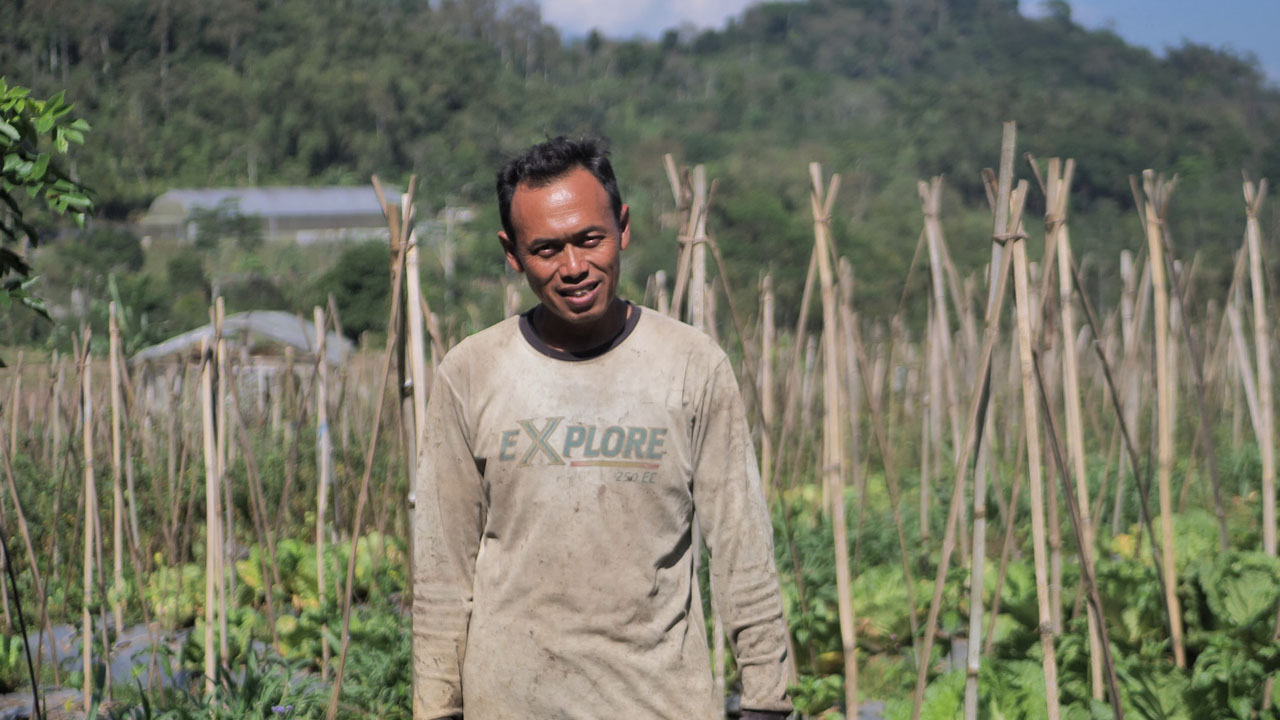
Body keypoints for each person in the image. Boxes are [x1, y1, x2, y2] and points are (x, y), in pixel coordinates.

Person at [412, 136, 794, 720]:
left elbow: (743, 550)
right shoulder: (472, 373)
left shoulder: (690, 366)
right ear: (512, 253)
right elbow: (443, 570)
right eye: (546, 249)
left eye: (590, 239)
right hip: (512, 703)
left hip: (660, 704)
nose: (573, 267)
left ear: (623, 227)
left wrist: (767, 699)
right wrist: (437, 707)